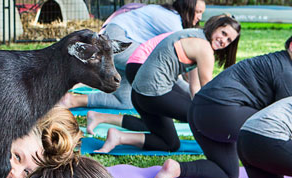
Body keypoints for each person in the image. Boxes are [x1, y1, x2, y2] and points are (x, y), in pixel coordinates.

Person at [151, 28, 292, 178]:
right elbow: (290, 127)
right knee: (268, 131)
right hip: (220, 113)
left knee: (228, 172)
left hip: (198, 112)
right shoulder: (286, 73)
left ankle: (176, 168)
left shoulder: (276, 61)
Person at [94, 15, 241, 153]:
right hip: (153, 93)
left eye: (229, 40)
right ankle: (225, 148)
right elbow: (208, 89)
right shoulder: (204, 48)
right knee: (201, 115)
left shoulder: (196, 36)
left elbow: (195, 88)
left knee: (170, 143)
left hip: (140, 94)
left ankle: (118, 137)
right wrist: (225, 112)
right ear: (216, 26)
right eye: (223, 33)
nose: (224, 40)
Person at [59, 0, 206, 111]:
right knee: (158, 69)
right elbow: (180, 68)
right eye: (198, 12)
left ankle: (73, 101)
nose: (199, 17)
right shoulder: (173, 21)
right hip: (117, 40)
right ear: (188, 8)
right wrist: (198, 95)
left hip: (123, 45)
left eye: (201, 13)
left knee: (126, 101)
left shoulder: (171, 17)